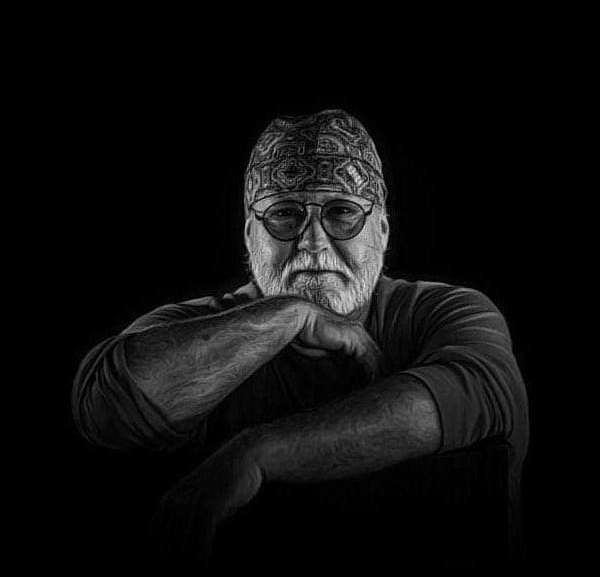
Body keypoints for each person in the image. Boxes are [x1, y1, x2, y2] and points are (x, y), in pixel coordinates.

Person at [72, 109, 529, 571]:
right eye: (284, 214)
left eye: (342, 212)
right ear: (250, 235)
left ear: (383, 231)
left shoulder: (443, 311)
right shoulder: (194, 323)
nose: (313, 242)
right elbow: (103, 407)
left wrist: (256, 455)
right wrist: (290, 314)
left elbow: (481, 392)